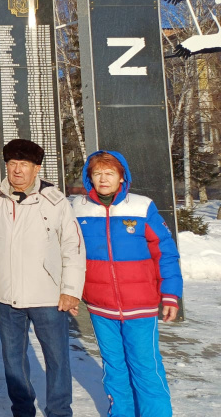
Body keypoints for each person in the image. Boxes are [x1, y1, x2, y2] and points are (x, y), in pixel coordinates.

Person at [72, 150, 182, 417]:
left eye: (109, 173)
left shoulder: (142, 206)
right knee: (115, 368)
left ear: (122, 177)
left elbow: (165, 252)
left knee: (145, 367)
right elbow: (67, 251)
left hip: (140, 306)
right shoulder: (77, 208)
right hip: (101, 307)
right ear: (90, 178)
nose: (103, 179)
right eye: (97, 173)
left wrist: (170, 294)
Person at [0, 139, 85, 417]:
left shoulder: (56, 202)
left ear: (36, 168)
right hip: (6, 296)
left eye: (24, 165)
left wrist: (71, 290)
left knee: (57, 359)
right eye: (12, 164)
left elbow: (73, 246)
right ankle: (23, 410)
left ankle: (60, 411)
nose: (17, 170)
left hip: (47, 295)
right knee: (14, 360)